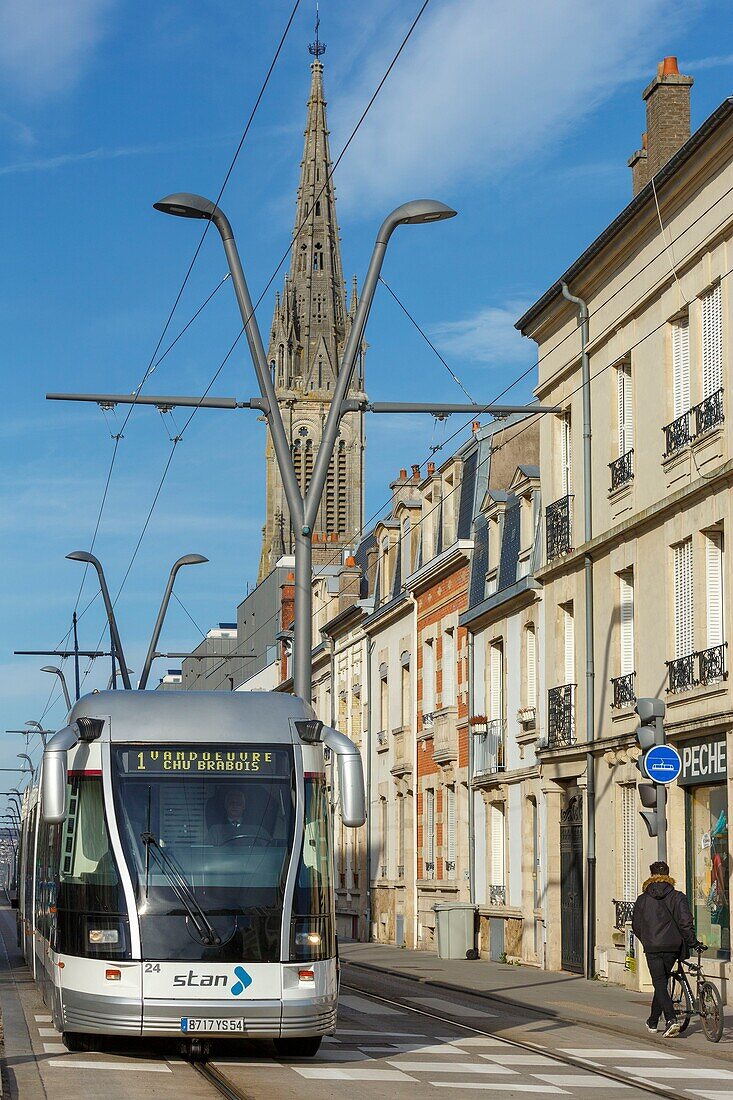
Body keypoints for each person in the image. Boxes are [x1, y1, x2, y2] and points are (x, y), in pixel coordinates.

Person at [632, 860, 701, 1037]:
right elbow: (685, 922)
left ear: (652, 875)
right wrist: (692, 941)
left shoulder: (642, 899)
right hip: (673, 946)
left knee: (660, 982)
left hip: (652, 947)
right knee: (661, 983)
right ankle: (653, 1021)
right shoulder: (678, 896)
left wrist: (647, 940)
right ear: (668, 875)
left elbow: (636, 926)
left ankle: (671, 1019)